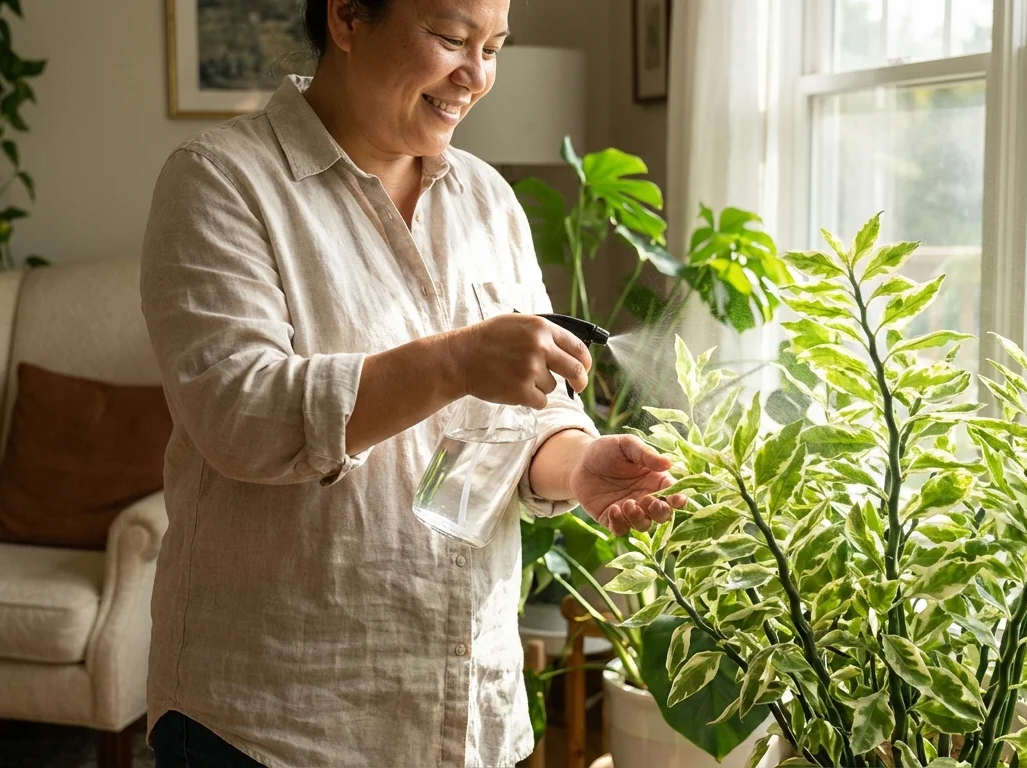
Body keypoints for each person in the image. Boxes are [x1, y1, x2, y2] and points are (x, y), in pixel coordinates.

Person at [138, 0, 685, 765]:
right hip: (274, 718)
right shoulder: (221, 181)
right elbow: (240, 419)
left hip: (464, 712)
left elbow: (528, 416)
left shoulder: (490, 202)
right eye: (451, 39)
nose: (476, 76)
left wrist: (576, 462)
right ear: (348, 18)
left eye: (494, 48)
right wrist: (456, 360)